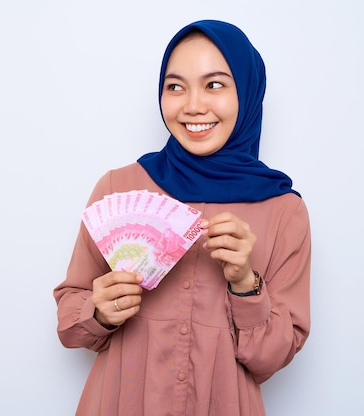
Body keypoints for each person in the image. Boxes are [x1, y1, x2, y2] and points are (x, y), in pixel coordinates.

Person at [53, 19, 310, 416]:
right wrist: (98, 312)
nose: (193, 105)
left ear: (246, 91)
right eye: (175, 86)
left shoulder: (283, 210)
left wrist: (245, 283)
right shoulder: (117, 188)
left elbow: (271, 359)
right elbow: (69, 320)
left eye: (215, 84)